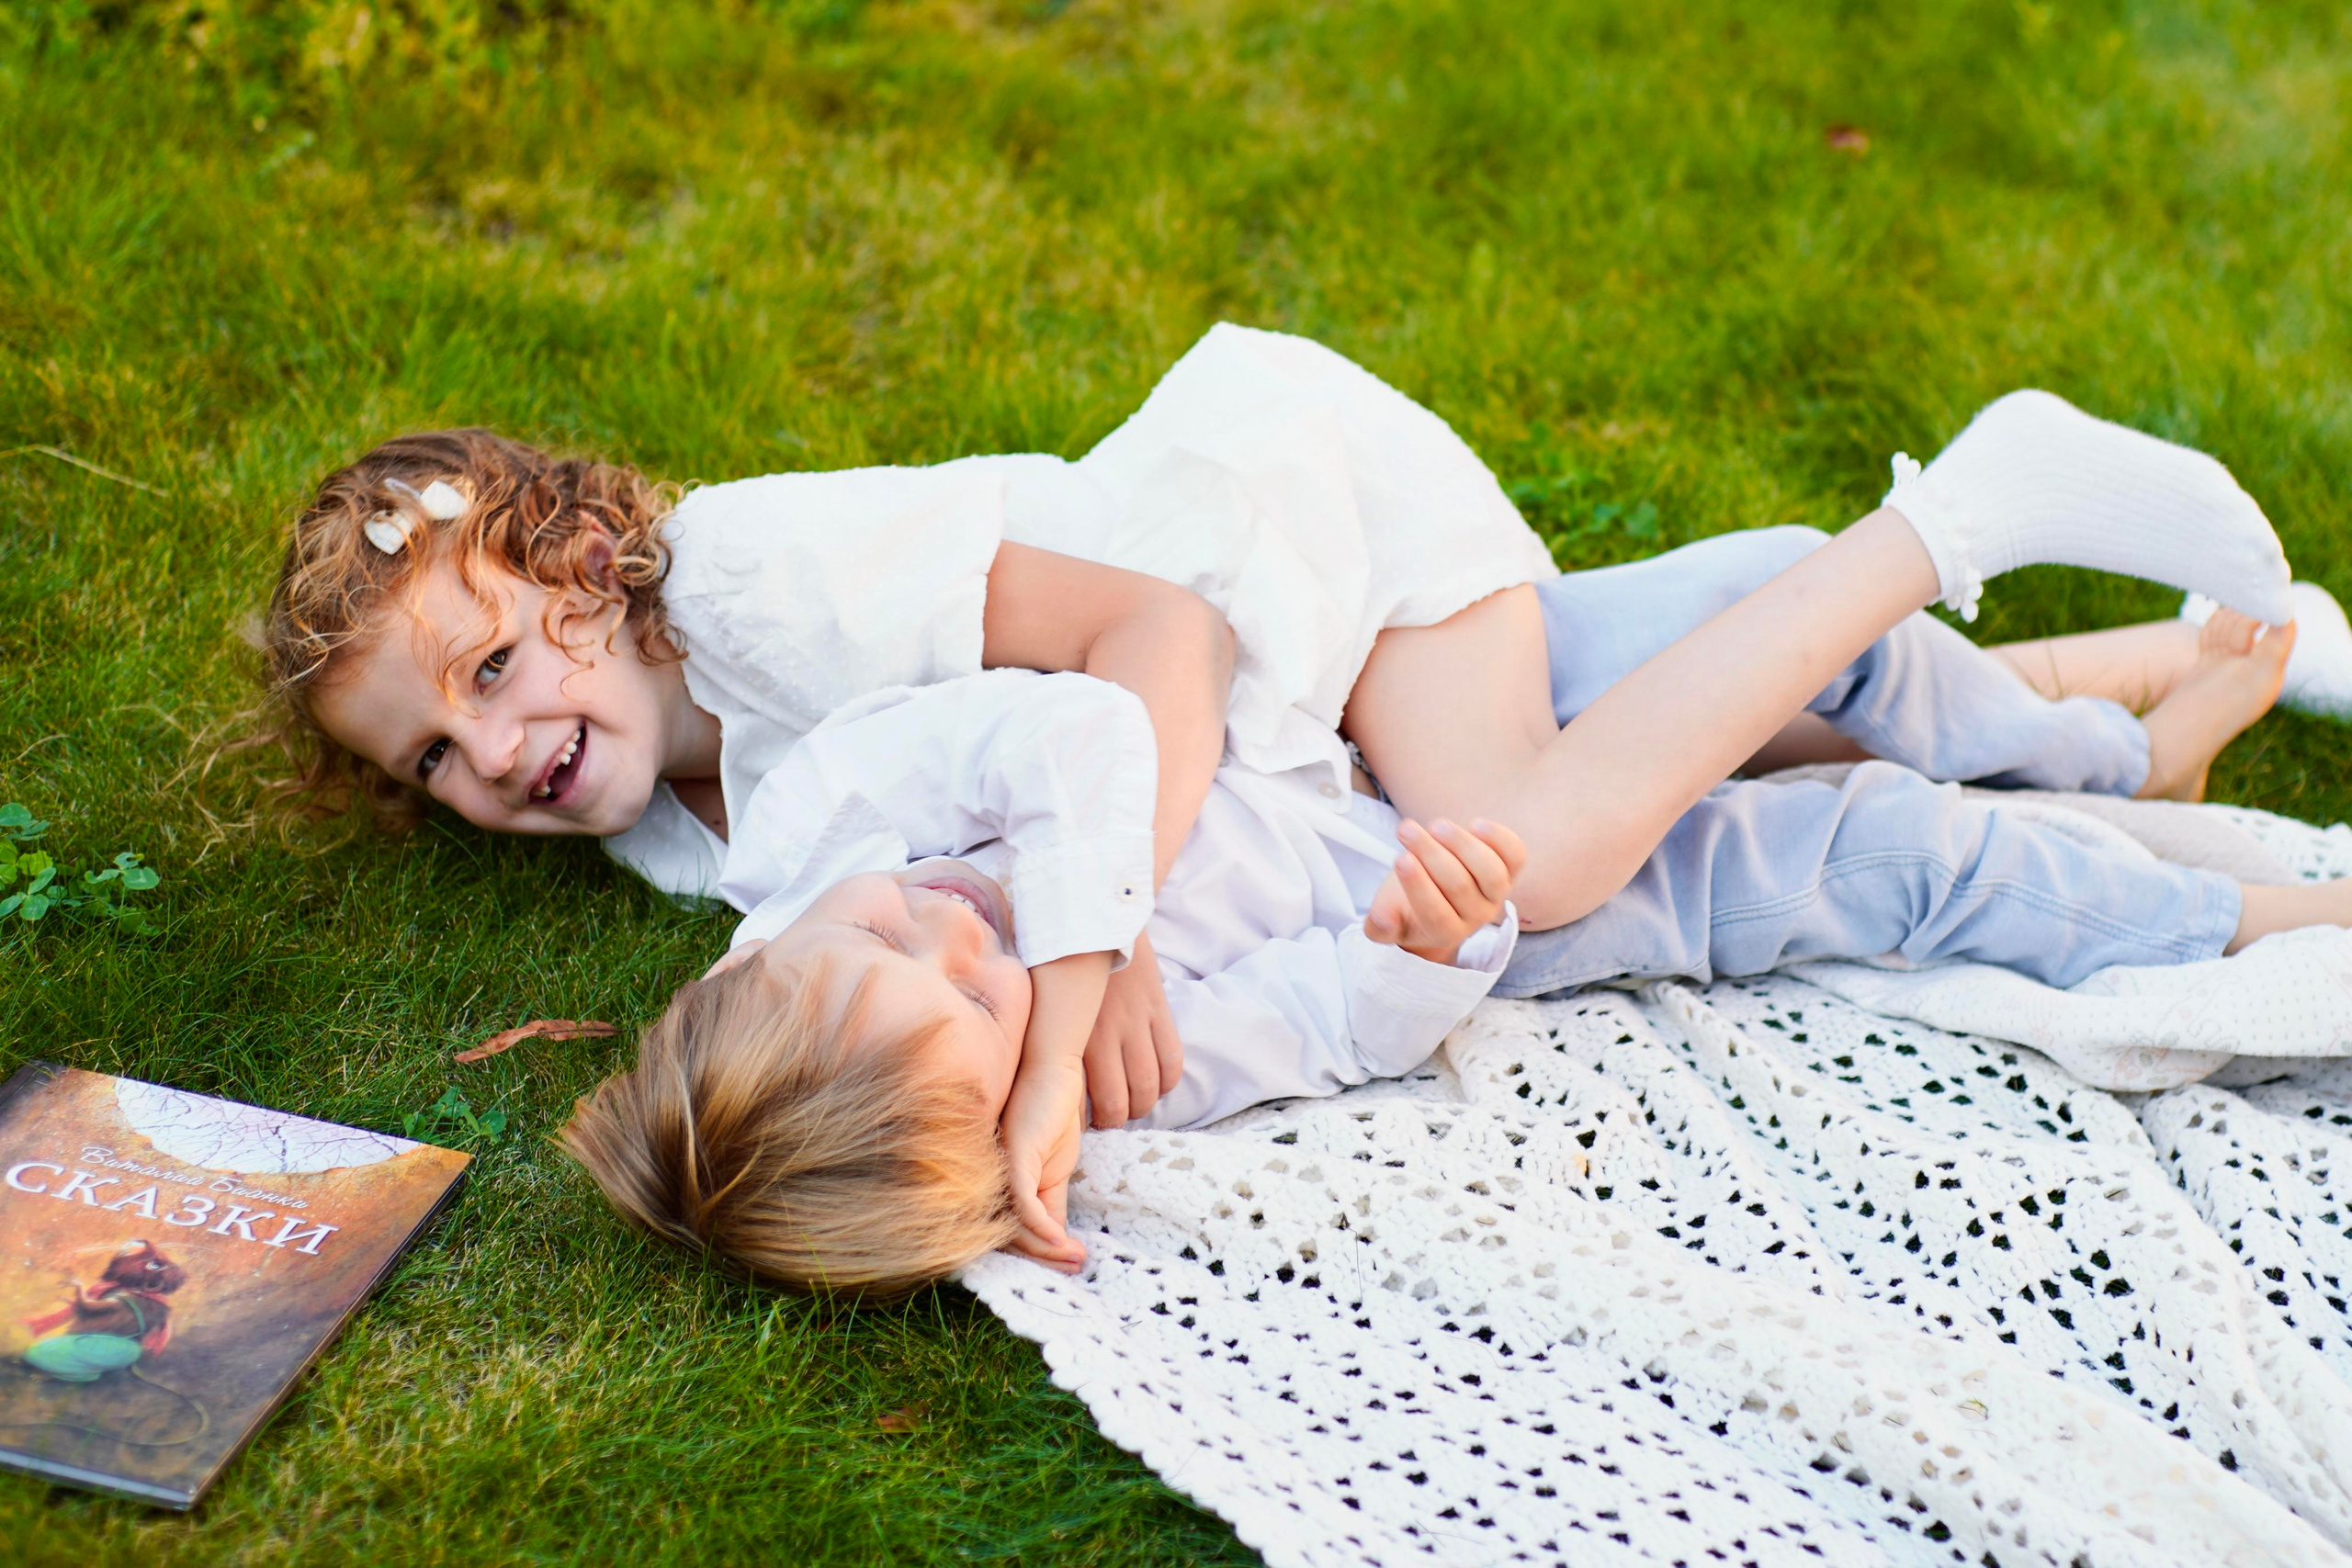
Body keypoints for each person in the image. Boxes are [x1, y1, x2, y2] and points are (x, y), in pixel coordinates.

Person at [248, 325, 2332, 1138]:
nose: (490, 748)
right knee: (1727, 686)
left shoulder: (767, 587)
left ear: (590, 569)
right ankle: (2152, 699)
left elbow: (1149, 636)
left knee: (1549, 832)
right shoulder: (692, 852)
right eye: (427, 753)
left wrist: (1101, 946)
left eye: (495, 665)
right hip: (1300, 747)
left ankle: (1960, 506)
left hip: (1283, 572)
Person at [554, 620, 2352, 1298]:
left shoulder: (827, 837)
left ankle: (2112, 712)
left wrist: (1048, 935)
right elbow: (1318, 1020)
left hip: (1427, 723)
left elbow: (1057, 724)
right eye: (973, 1010)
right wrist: (1428, 944)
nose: (958, 939)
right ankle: (2265, 919)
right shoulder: (1113, 1079)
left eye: (895, 938)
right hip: (1534, 884)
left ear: (762, 954)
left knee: (1787, 641)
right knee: (1879, 849)